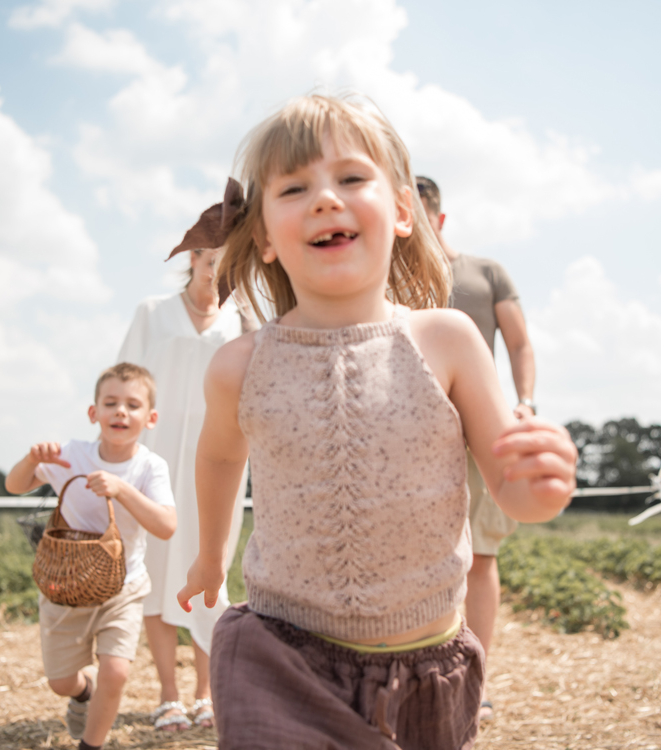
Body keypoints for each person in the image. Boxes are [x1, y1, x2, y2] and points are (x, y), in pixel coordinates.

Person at [176, 94, 578, 750]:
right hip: (280, 655)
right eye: (295, 188)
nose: (326, 199)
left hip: (427, 669)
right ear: (266, 240)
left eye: (352, 178)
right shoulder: (240, 366)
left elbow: (507, 485)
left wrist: (542, 486)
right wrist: (211, 554)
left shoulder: (445, 340)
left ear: (402, 211)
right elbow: (220, 457)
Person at [5, 363, 178, 750]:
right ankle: (83, 693)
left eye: (133, 405)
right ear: (93, 413)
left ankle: (91, 745)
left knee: (116, 671)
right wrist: (32, 460)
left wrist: (121, 489)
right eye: (111, 402)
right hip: (64, 587)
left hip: (124, 586)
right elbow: (14, 486)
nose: (121, 411)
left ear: (150, 418)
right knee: (60, 682)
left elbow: (167, 525)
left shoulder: (150, 466)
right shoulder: (72, 455)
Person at [116, 246, 253, 731]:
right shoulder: (152, 312)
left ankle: (206, 693)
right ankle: (168, 695)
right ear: (192, 255)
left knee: (208, 561)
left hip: (219, 457)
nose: (213, 261)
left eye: (224, 253)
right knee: (156, 566)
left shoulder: (245, 319)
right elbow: (124, 382)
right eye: (206, 252)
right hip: (155, 456)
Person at [416, 174, 536, 724]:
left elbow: (519, 342)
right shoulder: (387, 275)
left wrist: (525, 402)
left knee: (481, 555)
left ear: (437, 219)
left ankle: (475, 680)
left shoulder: (486, 273)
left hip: (479, 423)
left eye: (418, 219)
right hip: (414, 430)